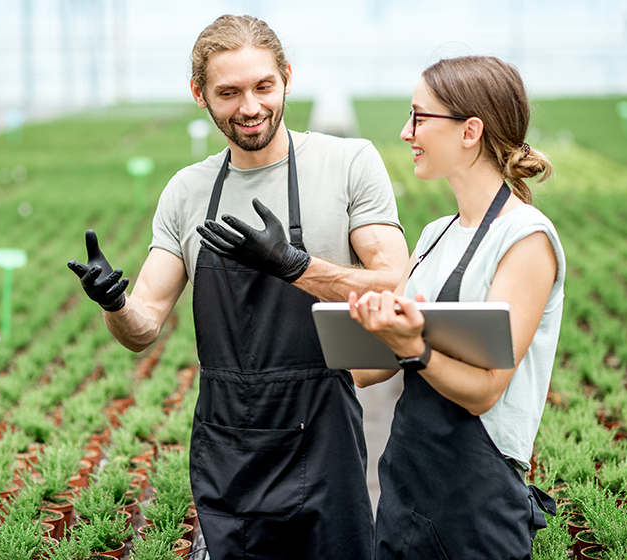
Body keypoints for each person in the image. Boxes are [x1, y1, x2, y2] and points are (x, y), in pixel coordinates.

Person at [67, 14, 409, 560]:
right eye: (229, 92)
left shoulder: (347, 163)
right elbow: (143, 326)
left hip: (323, 430)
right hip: (229, 434)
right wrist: (115, 304)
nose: (249, 107)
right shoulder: (188, 190)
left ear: (287, 78)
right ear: (200, 95)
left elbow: (394, 282)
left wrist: (296, 265)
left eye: (262, 87)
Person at [347, 56, 564, 559]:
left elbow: (486, 391)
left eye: (420, 117)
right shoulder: (434, 234)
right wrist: (371, 322)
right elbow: (365, 370)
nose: (407, 132)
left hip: (476, 504)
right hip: (404, 486)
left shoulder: (525, 237)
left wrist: (415, 346)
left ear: (470, 131)